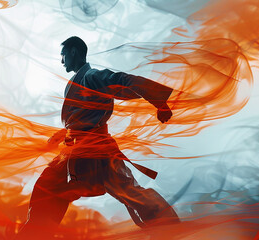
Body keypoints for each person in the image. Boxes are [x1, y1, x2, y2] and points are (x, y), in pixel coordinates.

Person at [15, 36, 179, 239]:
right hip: (76, 150)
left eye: (63, 54)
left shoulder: (92, 76)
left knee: (131, 193)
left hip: (98, 151)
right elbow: (80, 118)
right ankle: (35, 234)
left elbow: (123, 80)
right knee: (47, 186)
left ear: (73, 52)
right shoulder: (76, 82)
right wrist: (63, 133)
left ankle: (172, 229)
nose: (61, 60)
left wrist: (159, 102)